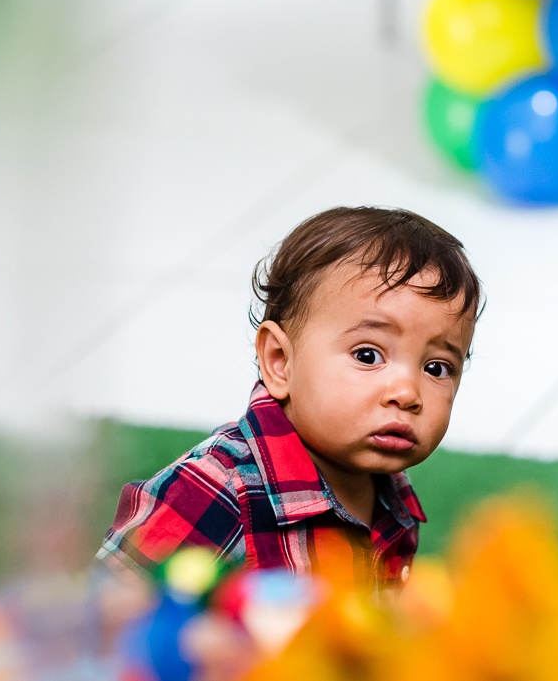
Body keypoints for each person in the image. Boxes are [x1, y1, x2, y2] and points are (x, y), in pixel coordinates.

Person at [96, 207, 481, 591]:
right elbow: (105, 616)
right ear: (280, 362)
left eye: (436, 367)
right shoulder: (213, 492)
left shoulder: (391, 492)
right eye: (367, 355)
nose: (407, 393)